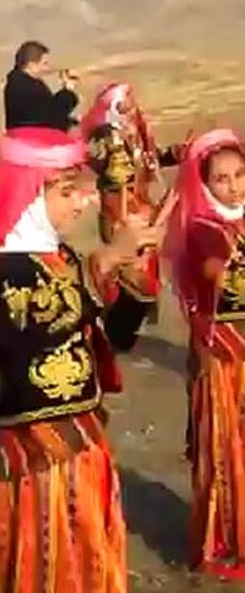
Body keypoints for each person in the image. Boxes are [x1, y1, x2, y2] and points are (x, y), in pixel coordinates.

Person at [0, 126, 161, 593]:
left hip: (82, 428)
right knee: (49, 556)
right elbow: (32, 335)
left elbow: (111, 339)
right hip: (38, 446)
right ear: (28, 194)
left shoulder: (62, 257)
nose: (80, 203)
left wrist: (133, 282)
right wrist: (102, 266)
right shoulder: (2, 267)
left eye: (79, 190)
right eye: (65, 192)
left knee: (89, 553)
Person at [163, 129, 245, 578]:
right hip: (223, 360)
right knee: (227, 451)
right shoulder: (202, 229)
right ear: (205, 184)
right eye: (221, 179)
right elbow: (215, 268)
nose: (233, 187)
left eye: (239, 175)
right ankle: (226, 539)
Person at [82, 82, 183, 316]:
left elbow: (150, 159)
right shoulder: (105, 139)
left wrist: (174, 154)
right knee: (130, 258)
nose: (130, 110)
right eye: (124, 107)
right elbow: (109, 172)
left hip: (141, 201)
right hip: (121, 208)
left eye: (131, 104)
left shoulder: (136, 131)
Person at [3, 40, 79, 131]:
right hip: (34, 136)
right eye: (44, 64)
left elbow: (42, 111)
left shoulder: (18, 82)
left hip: (20, 134)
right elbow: (52, 116)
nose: (47, 67)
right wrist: (68, 91)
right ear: (31, 65)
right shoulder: (28, 88)